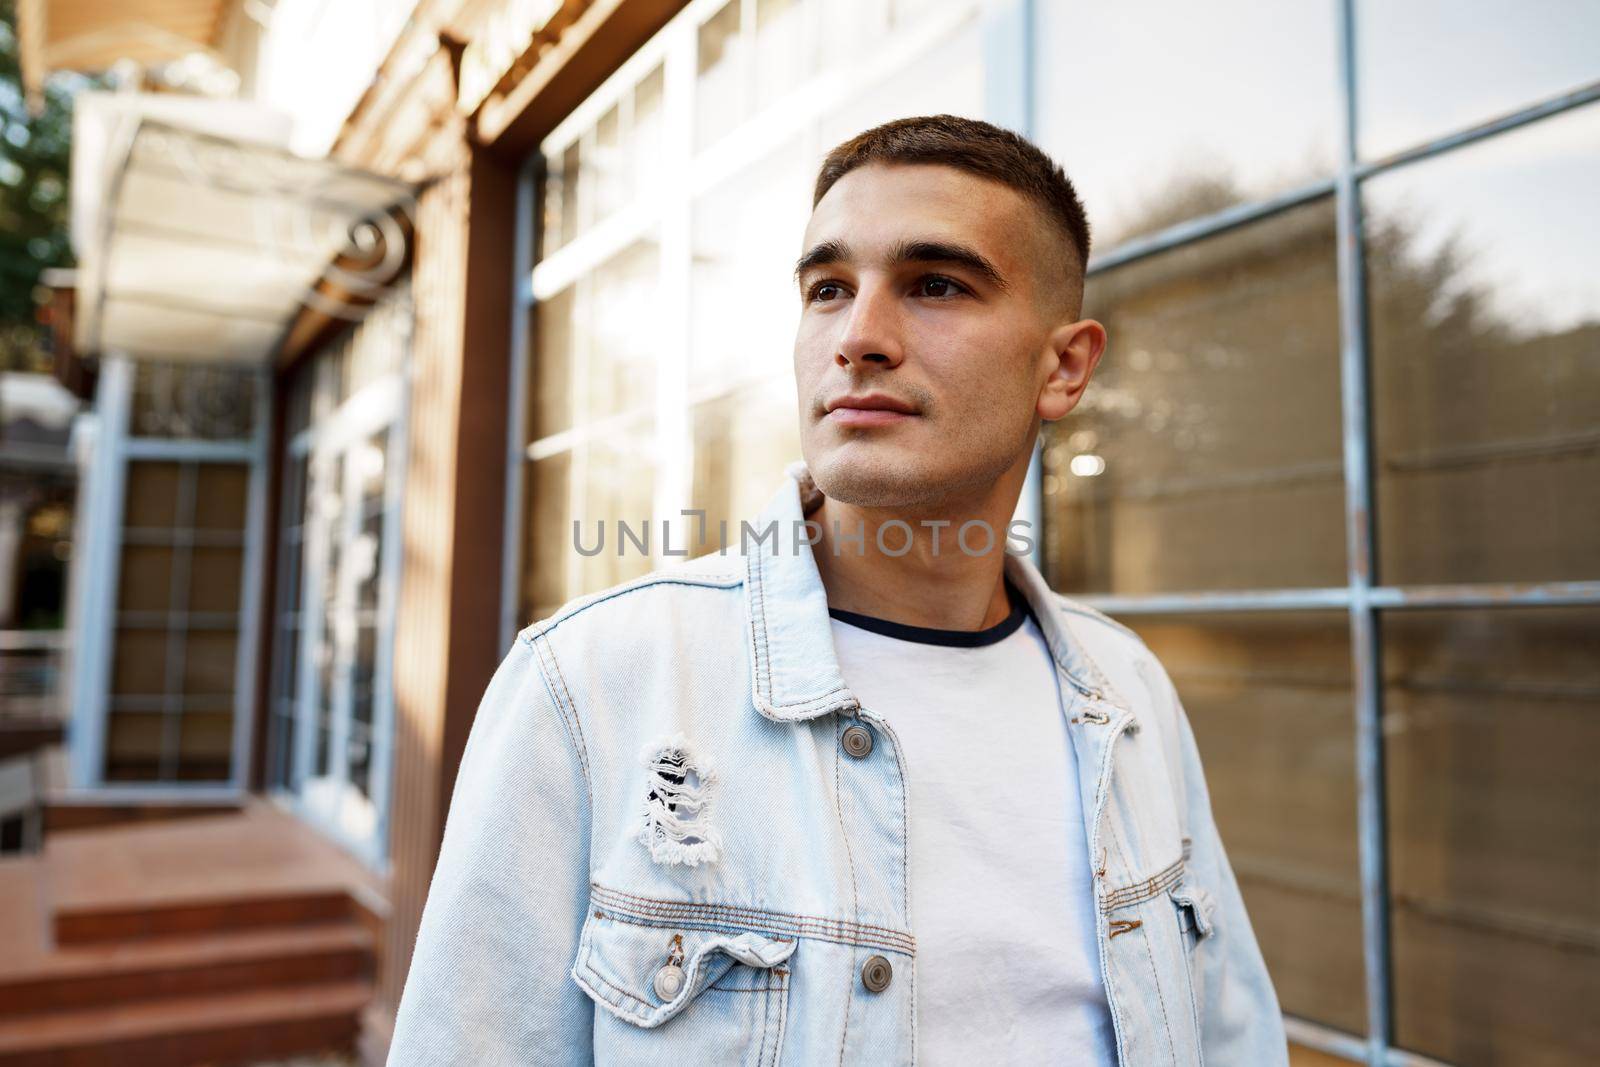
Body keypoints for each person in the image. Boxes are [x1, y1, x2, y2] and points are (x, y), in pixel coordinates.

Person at [387, 114, 1287, 1066]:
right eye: (828, 289)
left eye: (935, 285)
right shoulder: (594, 683)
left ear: (1063, 366)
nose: (858, 337)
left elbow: (1235, 1037)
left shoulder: (1128, 693)